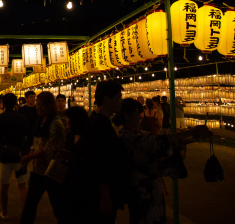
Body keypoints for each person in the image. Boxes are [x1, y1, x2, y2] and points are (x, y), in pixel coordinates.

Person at [115, 98, 212, 224]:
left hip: (153, 193)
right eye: (137, 114)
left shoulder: (139, 133)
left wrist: (193, 138)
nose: (140, 117)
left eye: (140, 114)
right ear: (126, 115)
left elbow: (162, 141)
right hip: (141, 193)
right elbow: (158, 142)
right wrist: (191, 132)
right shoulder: (127, 137)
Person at [82, 79, 130, 224]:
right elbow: (100, 163)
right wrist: (105, 196)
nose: (120, 102)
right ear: (107, 99)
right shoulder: (100, 125)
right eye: (118, 98)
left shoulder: (99, 121)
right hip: (101, 192)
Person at [19, 91, 67, 224]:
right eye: (37, 104)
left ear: (50, 106)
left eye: (41, 105)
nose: (38, 107)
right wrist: (29, 154)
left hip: (52, 171)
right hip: (38, 171)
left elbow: (50, 149)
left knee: (59, 207)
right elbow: (36, 141)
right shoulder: (41, 120)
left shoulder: (55, 123)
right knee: (30, 205)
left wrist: (29, 157)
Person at [0, 93, 29, 221]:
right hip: (19, 155)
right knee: (22, 185)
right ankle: (25, 214)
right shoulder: (22, 118)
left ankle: (5, 211)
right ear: (15, 103)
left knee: (4, 186)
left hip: (5, 155)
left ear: (3, 102)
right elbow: (25, 137)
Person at [18, 90, 38, 155]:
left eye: (34, 97)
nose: (33, 99)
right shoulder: (22, 109)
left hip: (36, 134)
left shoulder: (38, 109)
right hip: (26, 134)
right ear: (26, 99)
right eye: (31, 97)